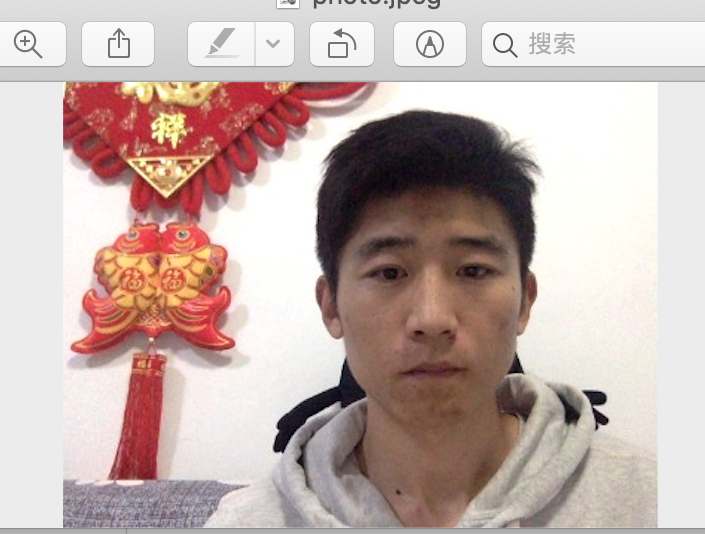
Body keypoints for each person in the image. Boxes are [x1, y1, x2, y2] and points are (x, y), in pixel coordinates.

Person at [205, 110, 656, 527]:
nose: (432, 318)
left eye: (473, 271)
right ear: (331, 307)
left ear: (525, 302)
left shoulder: (650, 501)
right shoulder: (247, 521)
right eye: (389, 272)